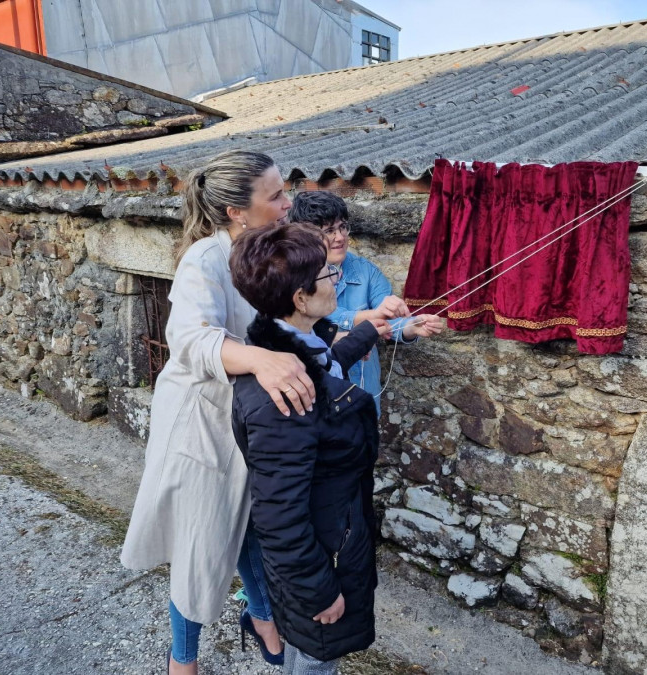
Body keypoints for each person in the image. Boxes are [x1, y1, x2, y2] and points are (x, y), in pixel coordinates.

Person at [121, 150, 310, 674]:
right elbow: (188, 337)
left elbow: (302, 312)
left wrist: (369, 320)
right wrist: (258, 358)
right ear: (236, 212)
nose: (287, 202)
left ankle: (264, 617)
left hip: (252, 422)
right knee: (200, 542)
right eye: (274, 195)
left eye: (283, 189)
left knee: (250, 524)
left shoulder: (271, 250)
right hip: (201, 426)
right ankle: (183, 659)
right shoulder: (205, 259)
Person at [230, 222, 386, 674]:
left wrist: (369, 331)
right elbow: (278, 515)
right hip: (321, 555)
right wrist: (319, 590)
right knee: (317, 657)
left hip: (330, 537)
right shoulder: (283, 399)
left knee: (309, 648)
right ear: (300, 298)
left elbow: (323, 364)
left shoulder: (285, 348)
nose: (336, 278)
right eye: (326, 275)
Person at [289, 191, 444, 411]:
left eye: (343, 227)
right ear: (305, 235)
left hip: (363, 391)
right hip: (316, 395)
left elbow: (390, 322)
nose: (340, 237)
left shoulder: (366, 271)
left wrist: (412, 326)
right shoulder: (290, 276)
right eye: (329, 231)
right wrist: (371, 317)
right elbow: (325, 322)